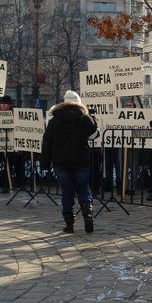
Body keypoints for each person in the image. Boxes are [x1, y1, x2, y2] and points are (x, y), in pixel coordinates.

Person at [41, 90, 99, 234]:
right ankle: (88, 216)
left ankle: (69, 225)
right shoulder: (85, 118)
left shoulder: (54, 120)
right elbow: (93, 136)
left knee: (67, 192)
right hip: (81, 161)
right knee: (84, 189)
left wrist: (44, 163)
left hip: (61, 162)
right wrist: (93, 119)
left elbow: (47, 142)